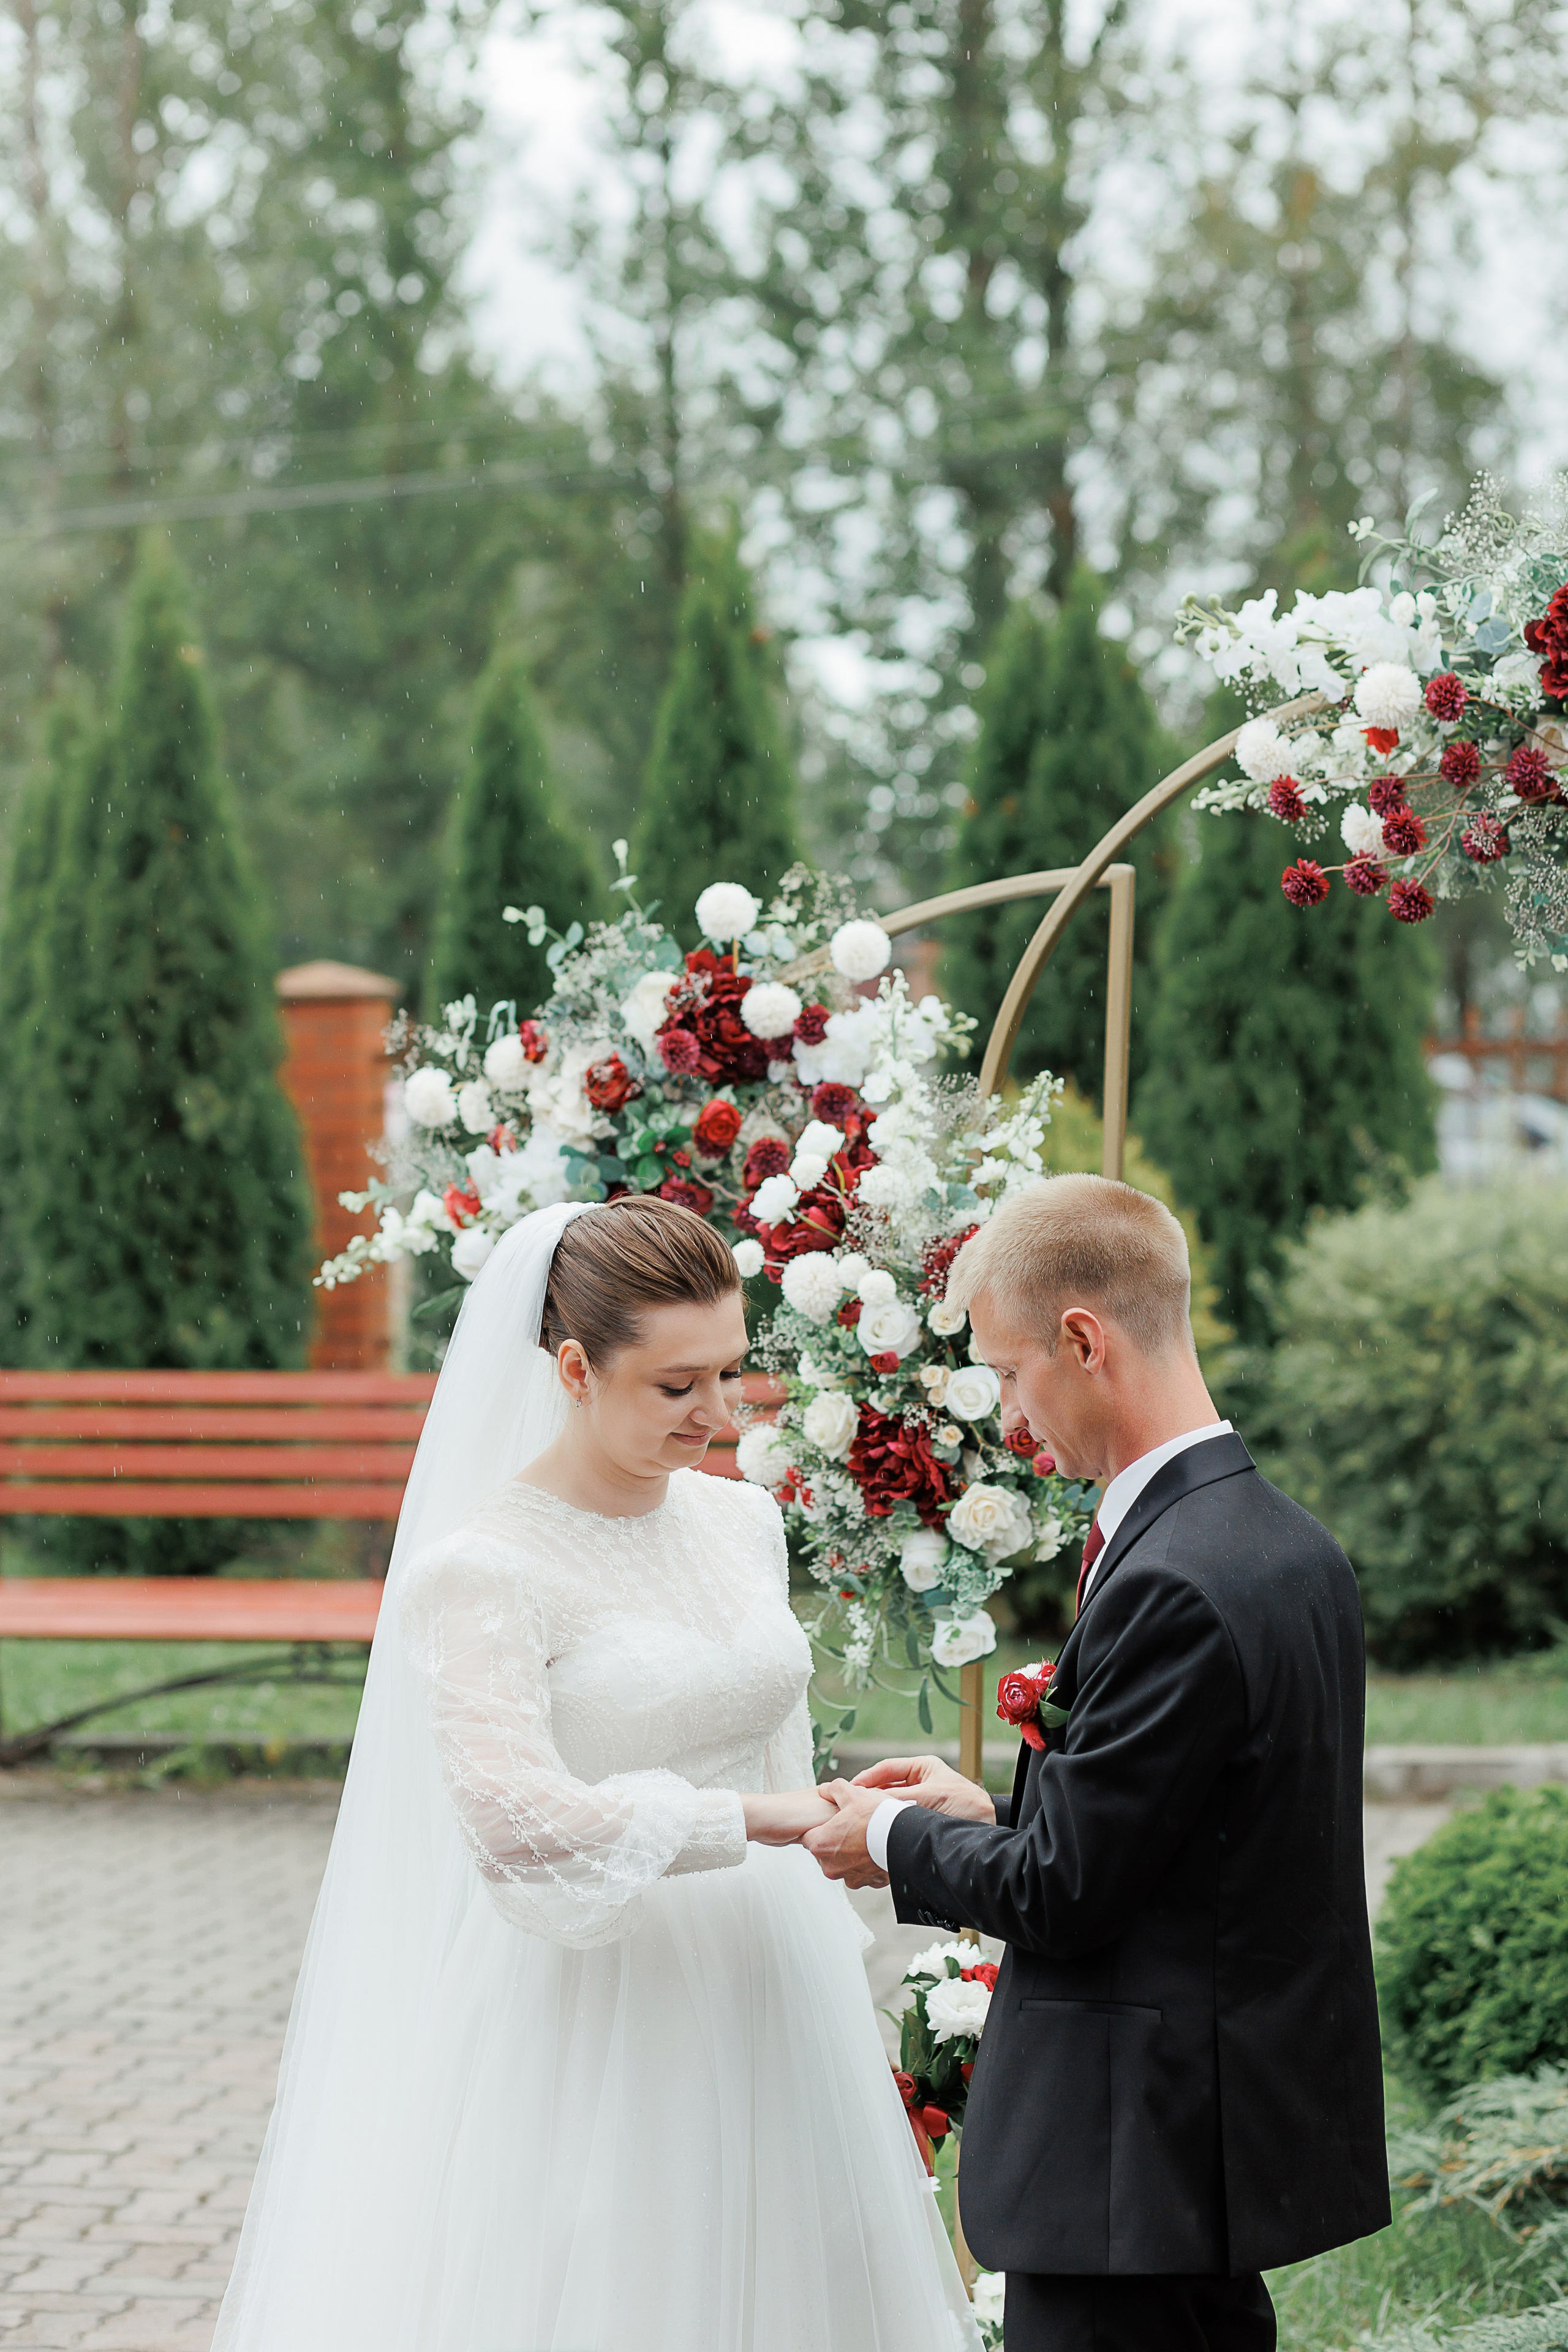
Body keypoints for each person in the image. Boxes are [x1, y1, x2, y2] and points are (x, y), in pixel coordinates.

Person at [213, 1196, 978, 2352]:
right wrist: (757, 1819)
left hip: (771, 1975)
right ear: (574, 1366)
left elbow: (761, 1736)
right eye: (678, 1387)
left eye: (730, 1372)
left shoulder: (740, 1522)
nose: (717, 1413)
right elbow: (511, 1819)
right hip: (594, 2001)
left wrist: (842, 1817)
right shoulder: (485, 1568)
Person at [803, 1172, 1389, 2352]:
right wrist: (992, 1810)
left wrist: (884, 1838)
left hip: (1134, 2162)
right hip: (1201, 2154)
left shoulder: (1174, 1574)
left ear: (1084, 1340)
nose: (1009, 1417)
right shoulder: (1283, 1543)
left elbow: (1064, 1894)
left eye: (1012, 1373)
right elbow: (1192, 1830)